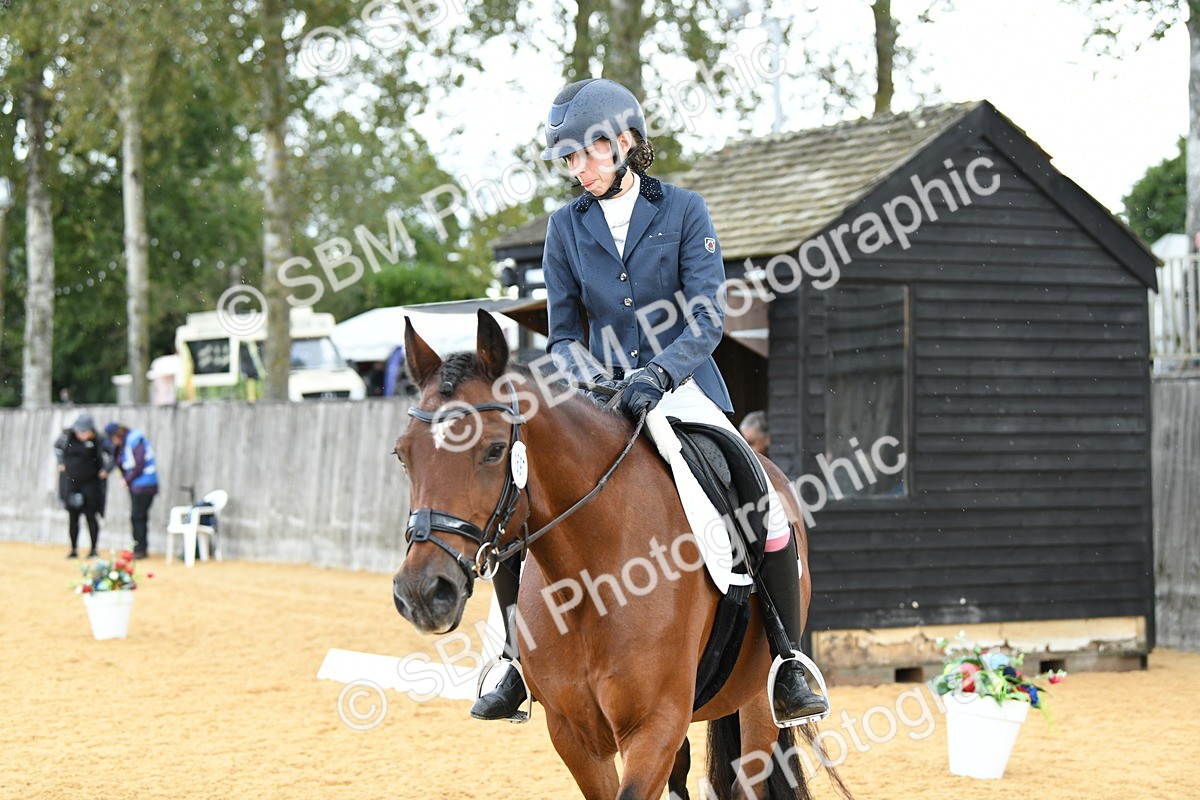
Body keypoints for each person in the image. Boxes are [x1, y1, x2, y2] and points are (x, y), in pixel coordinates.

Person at [470, 78, 830, 726]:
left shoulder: (685, 211)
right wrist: (595, 377)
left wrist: (659, 375)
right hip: (597, 398)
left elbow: (706, 316)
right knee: (519, 493)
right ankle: (515, 663)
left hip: (683, 390)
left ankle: (787, 658)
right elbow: (563, 333)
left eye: (586, 153)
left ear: (625, 142)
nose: (576, 169)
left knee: (761, 497)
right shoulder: (564, 230)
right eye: (568, 159)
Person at [54, 413, 108, 558]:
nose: (81, 434)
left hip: (91, 485)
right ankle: (73, 549)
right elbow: (57, 448)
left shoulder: (98, 440)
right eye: (79, 431)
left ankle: (94, 549)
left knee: (91, 516)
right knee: (73, 518)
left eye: (85, 432)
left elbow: (112, 455)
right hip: (72, 484)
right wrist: (60, 462)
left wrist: (106, 469)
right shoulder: (67, 437)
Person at [104, 422, 159, 559]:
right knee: (138, 516)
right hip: (137, 485)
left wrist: (127, 479)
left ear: (117, 435)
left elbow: (139, 463)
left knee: (137, 516)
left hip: (145, 485)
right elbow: (118, 461)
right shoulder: (123, 443)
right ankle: (139, 547)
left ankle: (140, 549)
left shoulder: (135, 439)